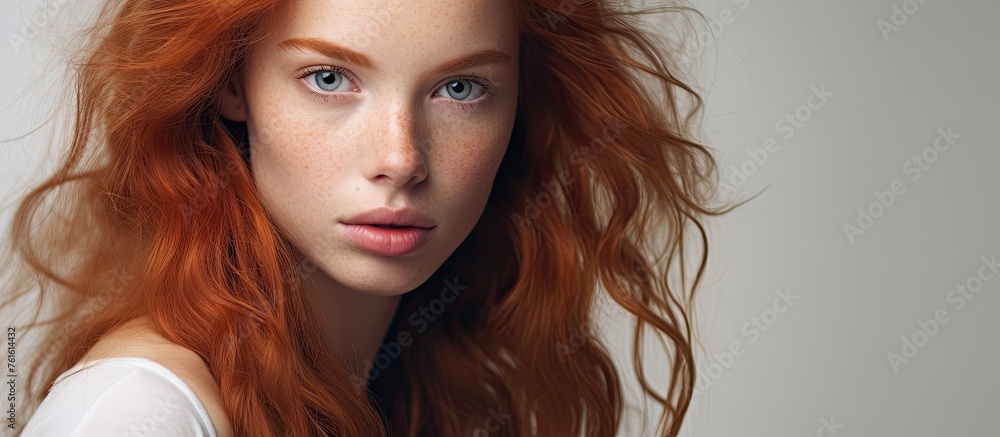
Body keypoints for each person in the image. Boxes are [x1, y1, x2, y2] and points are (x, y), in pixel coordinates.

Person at [2, 0, 743, 435]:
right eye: (329, 78)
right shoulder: (139, 413)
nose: (401, 158)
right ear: (232, 84)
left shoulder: (409, 376)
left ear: (522, 105)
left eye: (460, 88)